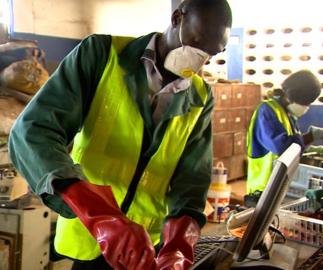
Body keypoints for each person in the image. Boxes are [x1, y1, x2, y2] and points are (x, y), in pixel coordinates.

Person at [8, 0, 232, 269]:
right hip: (93, 237)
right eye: (195, 42)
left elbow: (192, 178)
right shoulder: (102, 55)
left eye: (210, 53)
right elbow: (34, 131)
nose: (199, 57)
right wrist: (100, 216)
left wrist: (179, 243)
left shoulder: (200, 96)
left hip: (150, 249)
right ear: (176, 19)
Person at [246, 70, 323, 195]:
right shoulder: (266, 111)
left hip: (281, 186)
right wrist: (314, 135)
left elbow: (295, 144)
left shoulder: (287, 114)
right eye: (305, 103)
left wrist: (313, 150)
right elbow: (283, 147)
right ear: (292, 96)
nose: (306, 107)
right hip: (264, 190)